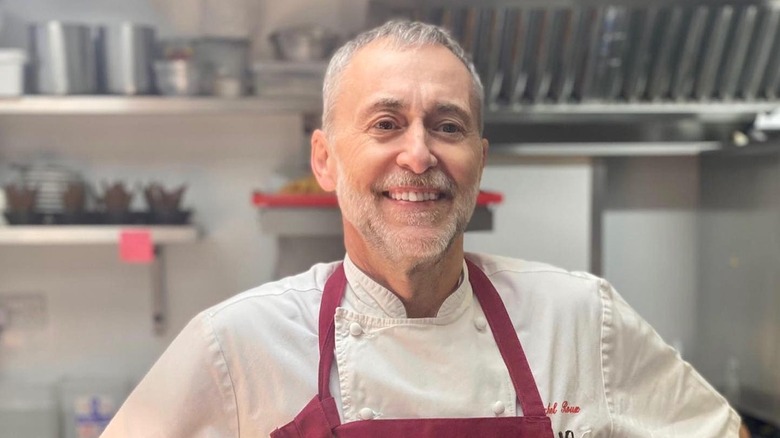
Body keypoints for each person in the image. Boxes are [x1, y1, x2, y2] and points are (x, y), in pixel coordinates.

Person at [103, 20, 742, 437]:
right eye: (385, 124)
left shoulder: (581, 321)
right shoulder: (238, 347)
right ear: (324, 160)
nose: (419, 155)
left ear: (479, 160)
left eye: (448, 125)